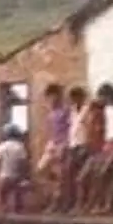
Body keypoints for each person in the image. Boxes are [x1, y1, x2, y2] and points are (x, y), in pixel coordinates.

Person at [81, 83, 113, 214]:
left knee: (104, 173)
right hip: (108, 142)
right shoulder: (106, 110)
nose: (102, 99)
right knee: (104, 175)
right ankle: (105, 204)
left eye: (103, 96)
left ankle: (108, 204)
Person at [35, 83, 70, 212]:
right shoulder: (52, 112)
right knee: (41, 169)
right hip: (53, 142)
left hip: (62, 142)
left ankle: (57, 202)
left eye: (52, 96)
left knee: (61, 173)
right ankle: (55, 186)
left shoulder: (65, 111)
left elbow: (69, 128)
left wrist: (65, 144)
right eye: (49, 97)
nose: (51, 100)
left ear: (58, 96)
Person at [61, 85, 91, 214]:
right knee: (69, 174)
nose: (73, 101)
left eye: (75, 98)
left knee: (81, 176)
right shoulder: (73, 110)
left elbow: (89, 127)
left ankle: (81, 204)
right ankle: (70, 203)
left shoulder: (87, 109)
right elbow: (71, 128)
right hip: (73, 144)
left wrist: (87, 145)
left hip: (83, 144)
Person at [0, 125, 31, 213]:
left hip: (4, 177)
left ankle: (3, 213)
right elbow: (23, 163)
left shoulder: (1, 147)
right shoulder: (20, 147)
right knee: (18, 198)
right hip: (16, 177)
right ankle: (18, 213)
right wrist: (25, 177)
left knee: (3, 198)